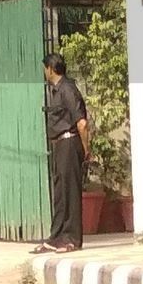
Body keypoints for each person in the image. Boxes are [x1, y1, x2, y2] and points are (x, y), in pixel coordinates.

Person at [32, 53, 90, 254]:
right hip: (60, 146)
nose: (44, 72)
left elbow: (81, 123)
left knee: (70, 192)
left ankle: (71, 239)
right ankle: (57, 237)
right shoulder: (56, 91)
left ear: (50, 68)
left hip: (69, 143)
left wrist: (85, 148)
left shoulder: (68, 89)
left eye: (44, 68)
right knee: (60, 193)